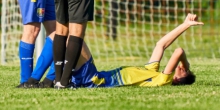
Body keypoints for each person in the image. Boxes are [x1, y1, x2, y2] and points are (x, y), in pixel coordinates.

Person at [23, 13, 202, 89]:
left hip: (93, 80)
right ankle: (42, 80)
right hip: (93, 75)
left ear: (178, 78)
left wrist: (186, 63)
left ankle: (43, 80)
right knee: (61, 34)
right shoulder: (150, 73)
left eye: (183, 69)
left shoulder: (163, 80)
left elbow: (178, 51)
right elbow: (161, 45)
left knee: (65, 34)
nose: (180, 66)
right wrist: (185, 24)